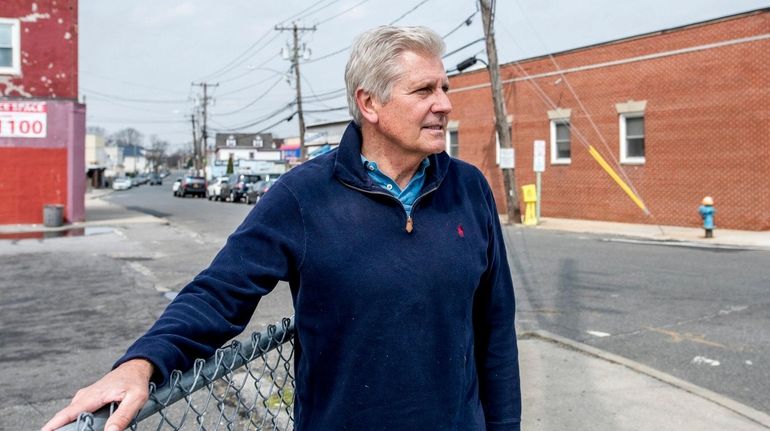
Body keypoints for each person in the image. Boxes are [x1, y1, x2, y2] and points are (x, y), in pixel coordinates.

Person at [43, 25, 521, 431]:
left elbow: (495, 328)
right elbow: (219, 292)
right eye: (424, 91)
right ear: (369, 104)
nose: (444, 105)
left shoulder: (469, 189)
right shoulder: (303, 197)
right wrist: (141, 363)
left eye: (445, 88)